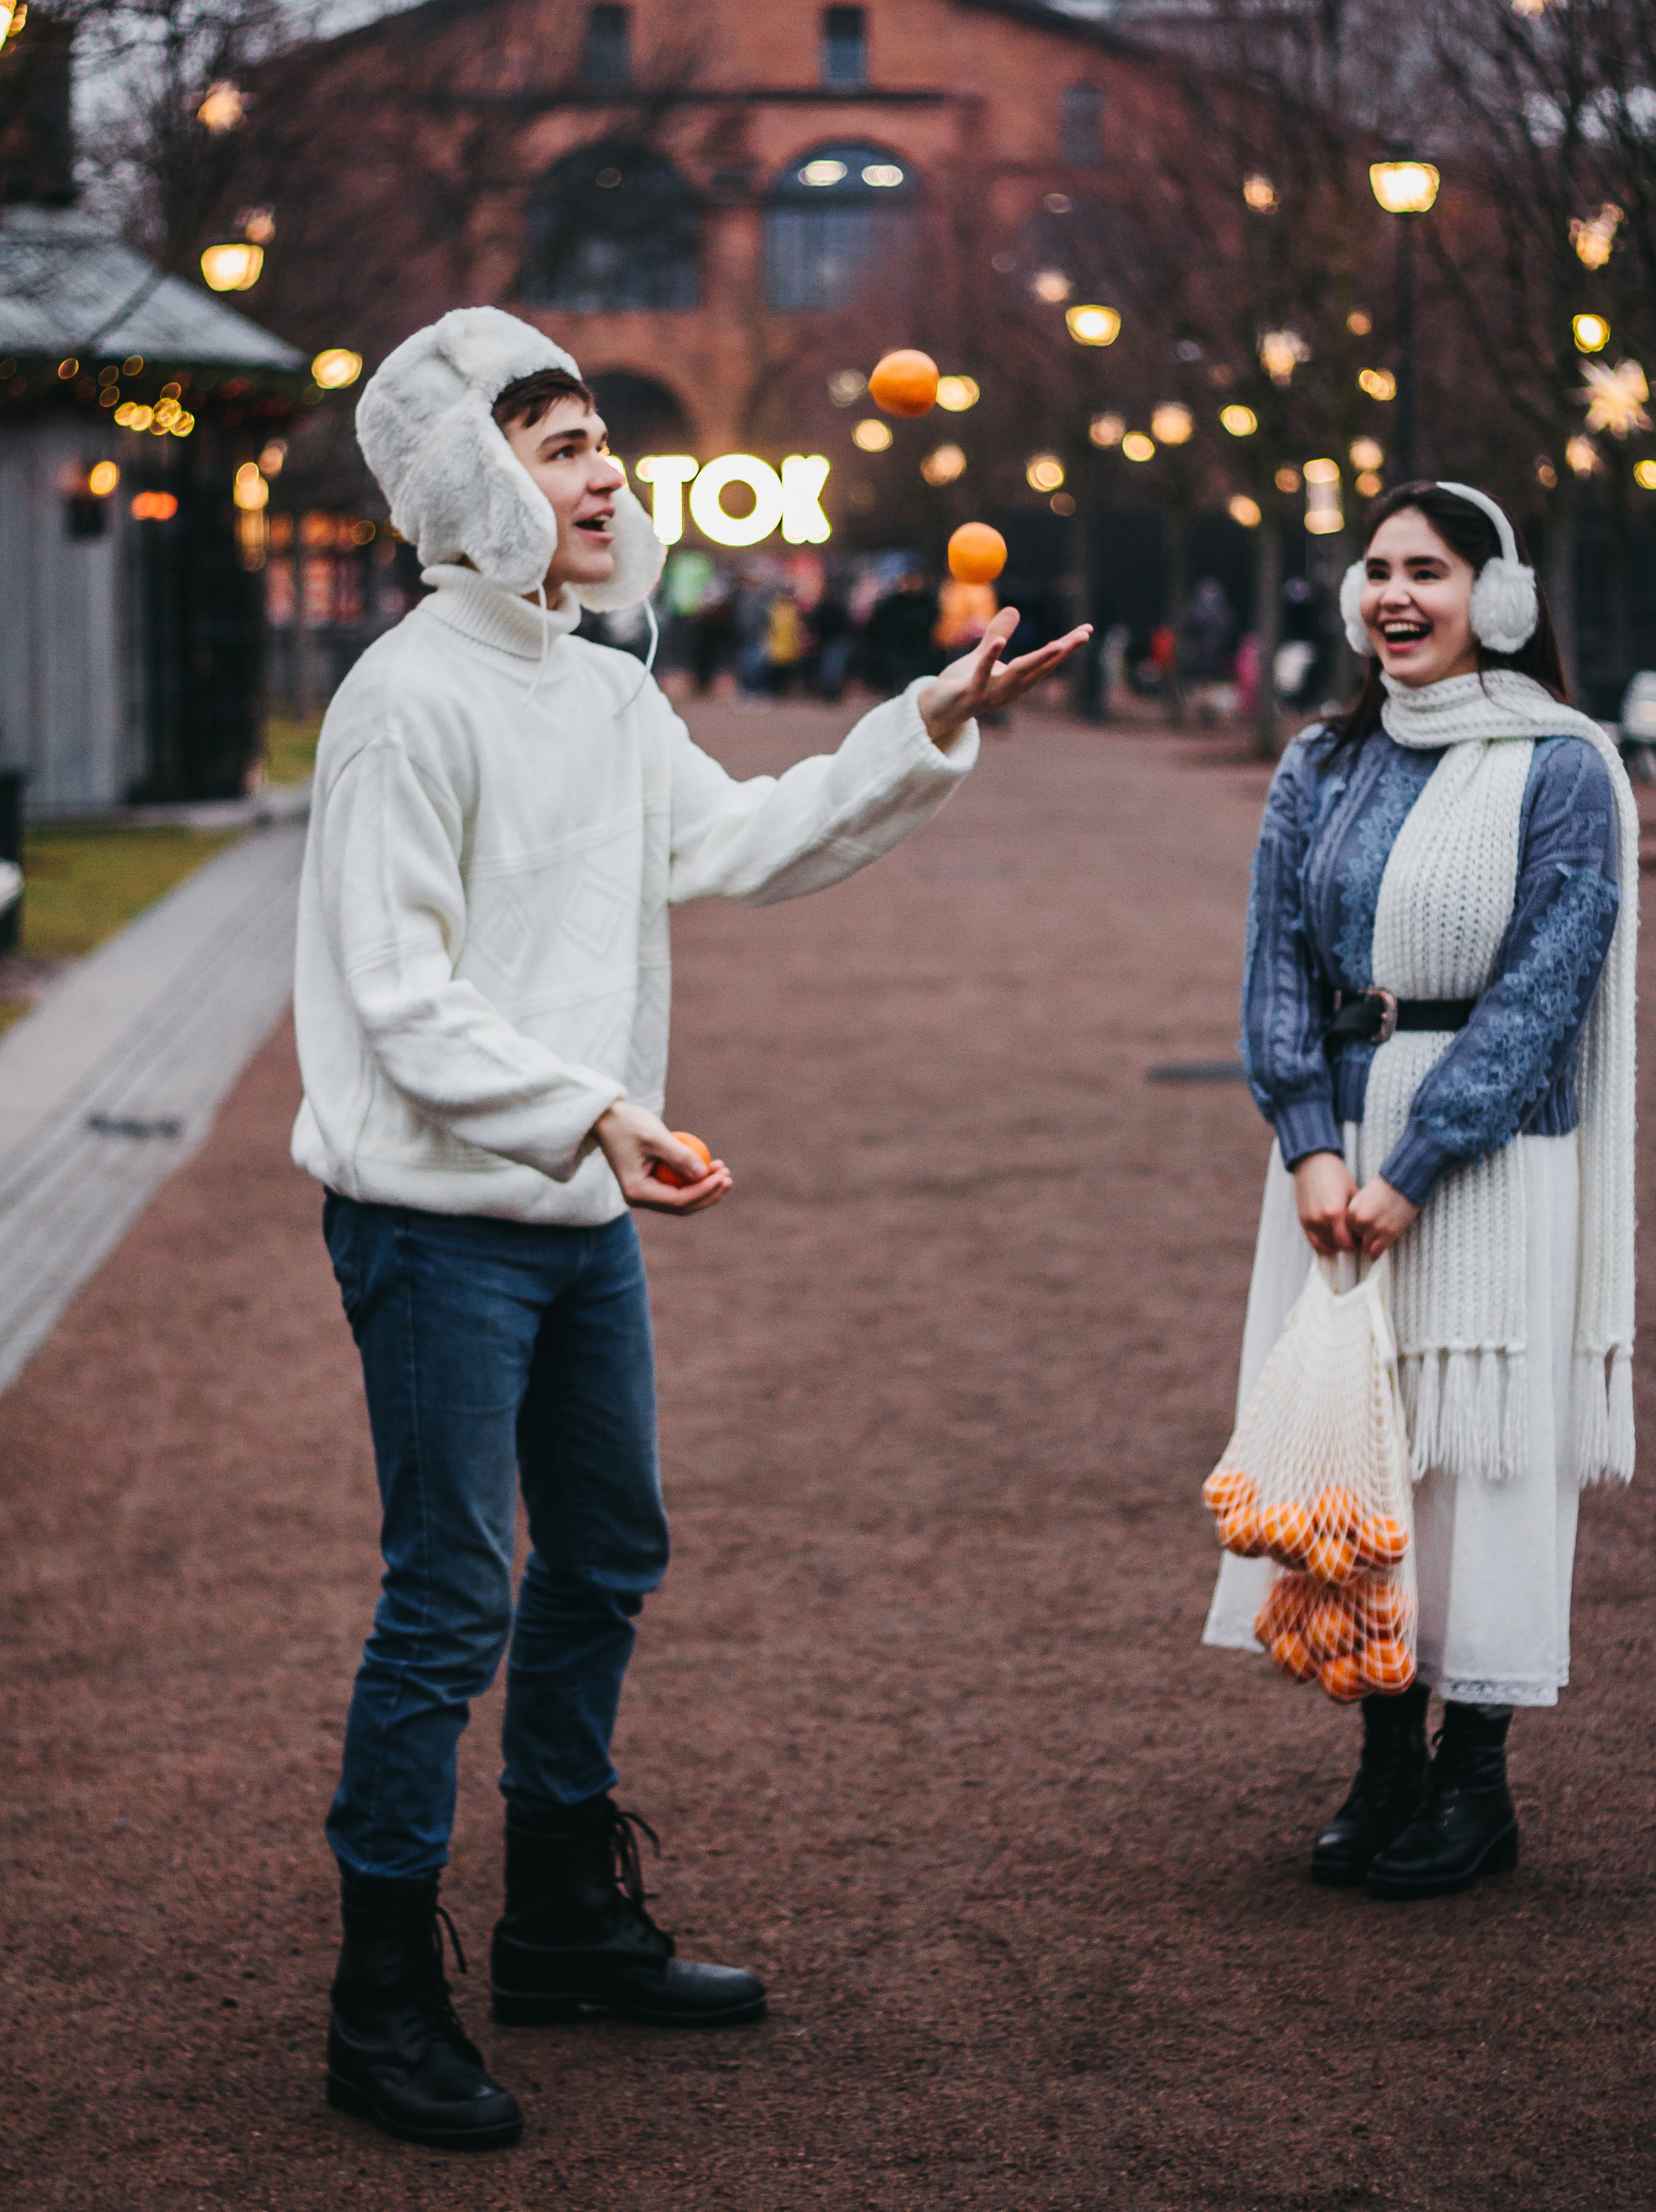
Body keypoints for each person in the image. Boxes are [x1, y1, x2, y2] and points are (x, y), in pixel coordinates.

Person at [291, 307, 1089, 2151]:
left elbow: (737, 841)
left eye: (598, 447)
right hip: (439, 1224)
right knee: (446, 1600)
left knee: (610, 1557)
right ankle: (380, 1993)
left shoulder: (602, 681)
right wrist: (594, 1111)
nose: (599, 475)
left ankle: (562, 1919)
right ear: (466, 483)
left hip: (579, 1204)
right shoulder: (402, 701)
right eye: (555, 446)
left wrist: (923, 726)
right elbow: (394, 999)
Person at [1206, 481, 1636, 1902]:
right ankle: (1383, 1749)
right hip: (1335, 1145)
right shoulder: (1317, 764)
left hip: (1491, 1154)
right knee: (1361, 1451)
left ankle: (1474, 1782)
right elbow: (1276, 964)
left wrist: (1411, 1167)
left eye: (1429, 571)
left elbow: (1542, 993)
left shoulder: (1562, 768)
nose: (1394, 596)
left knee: (1478, 1453)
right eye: (1376, 571)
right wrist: (1313, 1143)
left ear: (1495, 600)